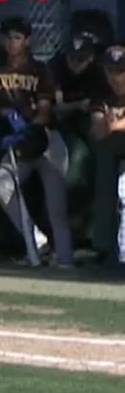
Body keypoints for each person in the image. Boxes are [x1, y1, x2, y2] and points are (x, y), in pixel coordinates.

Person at [0, 16, 71, 268]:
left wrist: (32, 128)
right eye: (8, 37)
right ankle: (39, 242)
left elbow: (45, 107)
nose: (12, 42)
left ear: (27, 40)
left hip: (46, 140)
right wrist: (2, 114)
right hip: (17, 144)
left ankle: (65, 261)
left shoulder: (39, 69)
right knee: (2, 187)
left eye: (17, 37)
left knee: (56, 206)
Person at [92, 45, 125, 269]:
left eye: (120, 71)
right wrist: (111, 126)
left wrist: (116, 124)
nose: (115, 77)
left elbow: (114, 126)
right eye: (110, 71)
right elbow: (98, 130)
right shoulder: (101, 96)